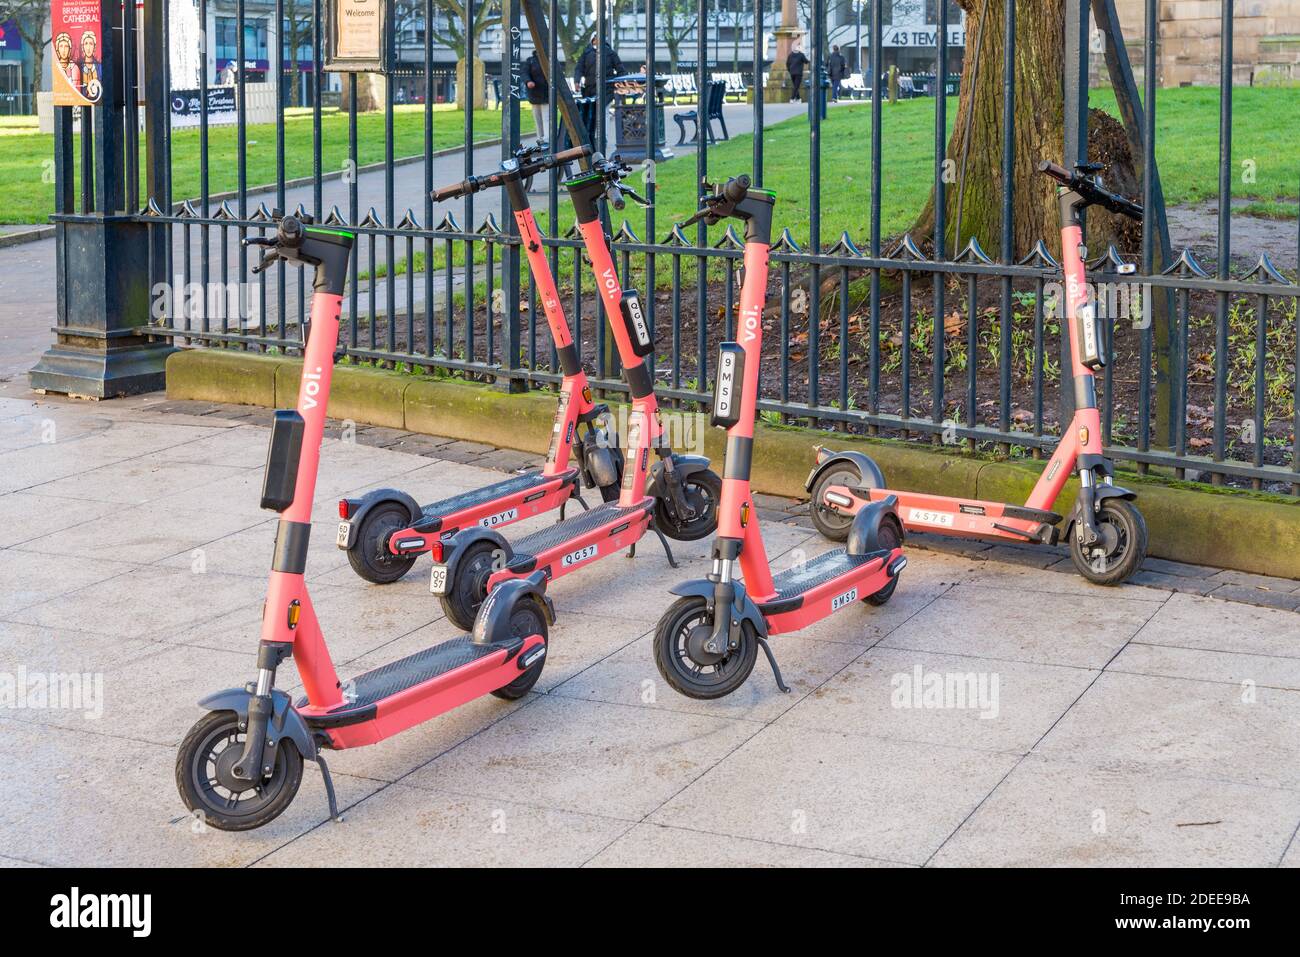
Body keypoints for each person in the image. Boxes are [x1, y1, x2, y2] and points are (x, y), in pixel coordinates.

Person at [523, 51, 549, 143]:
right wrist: (528, 81)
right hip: (535, 95)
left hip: (546, 94)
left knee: (546, 118)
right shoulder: (530, 61)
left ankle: (546, 139)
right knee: (538, 118)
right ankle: (540, 138)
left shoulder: (550, 59)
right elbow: (525, 73)